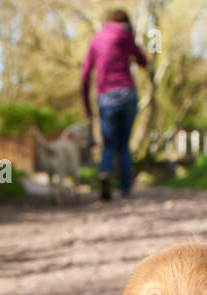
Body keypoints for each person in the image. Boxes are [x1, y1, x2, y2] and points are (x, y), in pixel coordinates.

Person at [81, 10, 148, 200]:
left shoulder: (96, 40)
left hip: (106, 96)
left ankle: (105, 172)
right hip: (127, 93)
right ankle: (126, 188)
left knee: (108, 144)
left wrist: (87, 107)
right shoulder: (126, 37)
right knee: (123, 145)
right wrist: (135, 56)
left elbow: (85, 75)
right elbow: (144, 61)